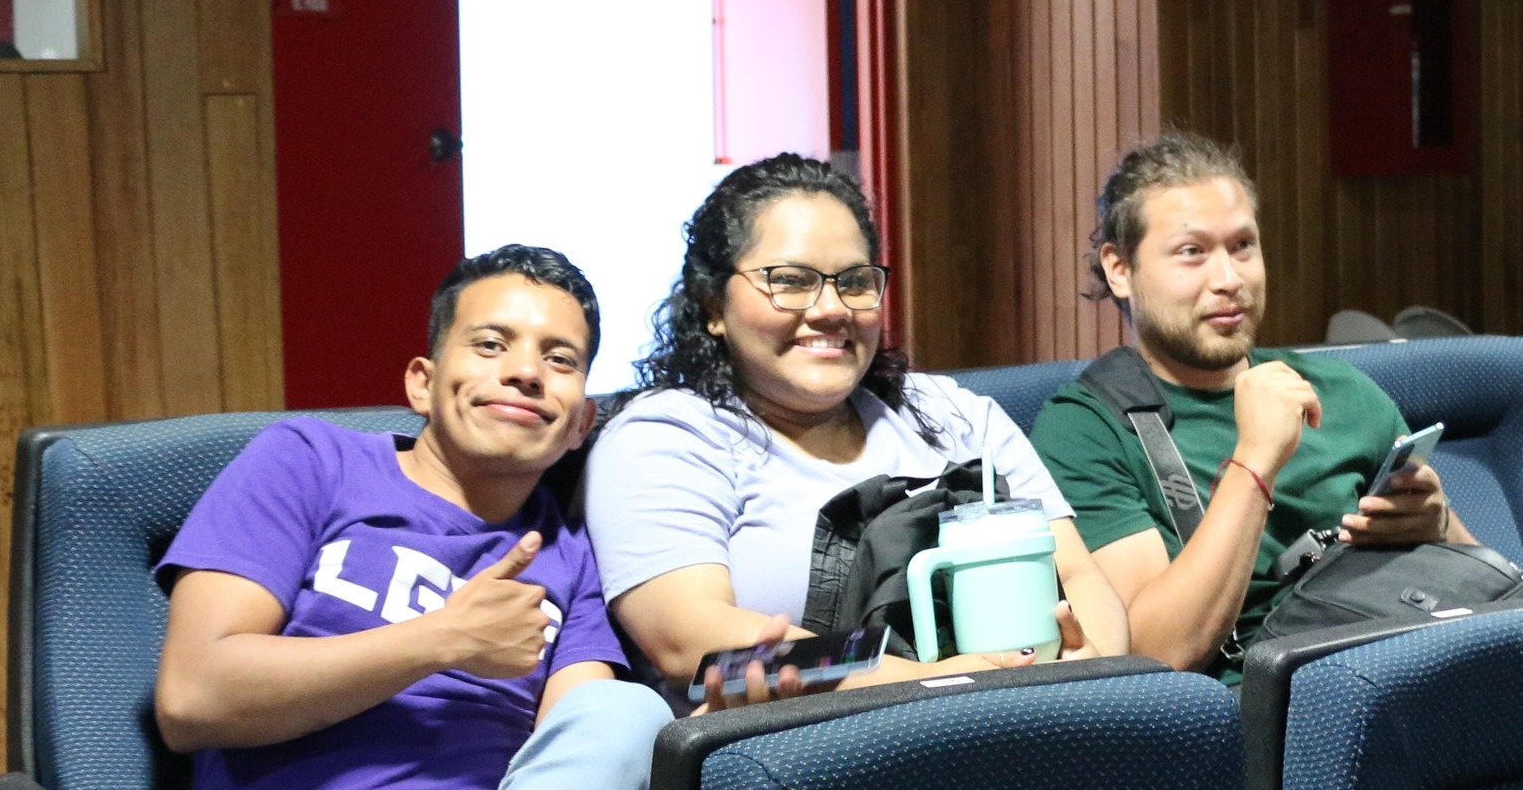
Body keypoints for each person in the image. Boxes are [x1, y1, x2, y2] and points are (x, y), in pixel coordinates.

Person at [153, 245, 671, 790]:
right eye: (490, 345)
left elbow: (581, 762)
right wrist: (441, 640)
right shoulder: (310, 462)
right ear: (422, 383)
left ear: (582, 422)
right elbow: (193, 697)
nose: (525, 371)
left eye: (559, 359)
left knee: (630, 712)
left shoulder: (570, 551)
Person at [583, 153, 1129, 705]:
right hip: (805, 746)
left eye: (854, 281)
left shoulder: (953, 413)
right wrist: (930, 683)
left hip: (1029, 716)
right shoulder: (665, 435)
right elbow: (689, 638)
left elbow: (1078, 575)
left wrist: (1094, 664)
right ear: (712, 305)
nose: (831, 308)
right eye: (789, 281)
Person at [1029, 132, 1476, 681]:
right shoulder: (1085, 428)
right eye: (1192, 252)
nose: (1229, 279)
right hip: (1270, 697)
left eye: (1243, 246)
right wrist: (1255, 461)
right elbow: (1154, 654)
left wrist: (1437, 523)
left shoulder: (1342, 390)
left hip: (1411, 657)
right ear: (1120, 269)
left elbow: (1485, 581)